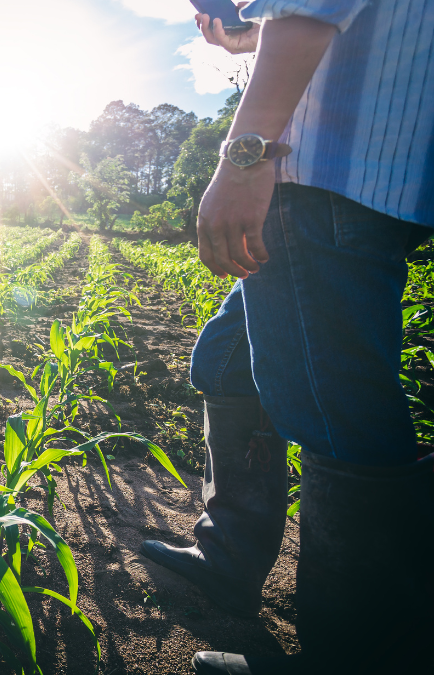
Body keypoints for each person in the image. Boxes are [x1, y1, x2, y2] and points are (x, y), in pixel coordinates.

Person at [138, 1, 434, 673]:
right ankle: (229, 556)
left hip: (325, 177)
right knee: (226, 362)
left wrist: (246, 157)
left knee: (338, 411)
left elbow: (307, 14)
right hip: (354, 175)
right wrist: (242, 34)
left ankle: (361, 651)